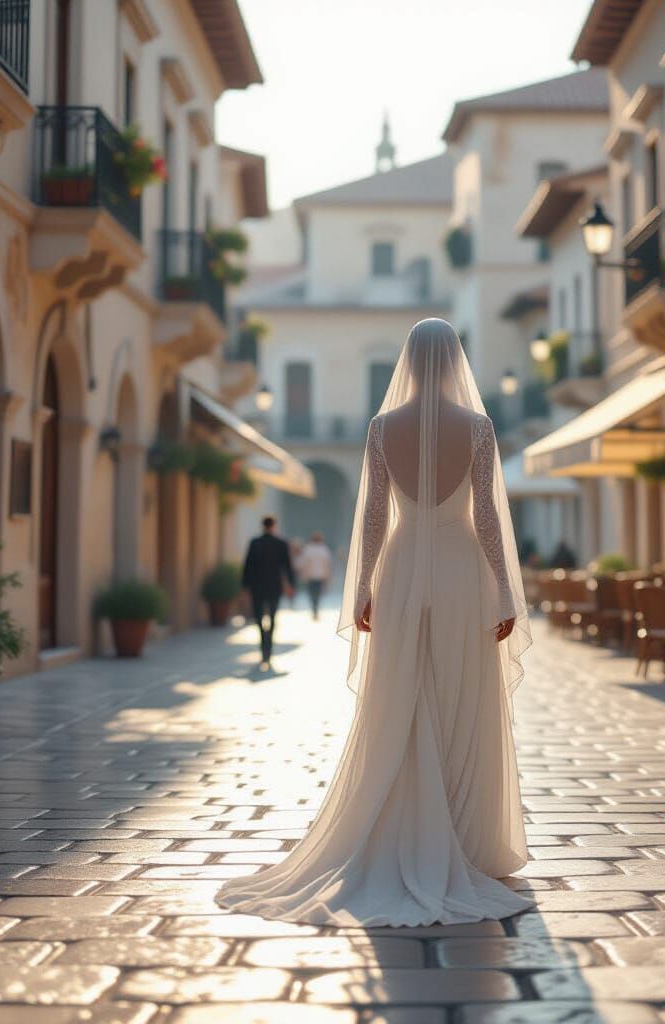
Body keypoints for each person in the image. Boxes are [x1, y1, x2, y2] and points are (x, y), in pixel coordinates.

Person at [217, 318, 532, 927]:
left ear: (409, 364)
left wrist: (360, 585)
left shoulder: (382, 428)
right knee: (462, 697)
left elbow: (371, 517)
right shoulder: (479, 429)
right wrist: (503, 590)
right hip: (462, 571)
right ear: (455, 363)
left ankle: (402, 825)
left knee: (398, 698)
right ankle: (467, 841)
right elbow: (489, 518)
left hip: (400, 567)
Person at [241, 516, 295, 669]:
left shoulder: (254, 543)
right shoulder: (281, 544)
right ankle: (268, 648)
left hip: (257, 587)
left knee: (258, 618)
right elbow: (287, 567)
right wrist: (291, 585)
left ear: (262, 526)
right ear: (274, 526)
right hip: (274, 587)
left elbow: (247, 566)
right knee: (272, 617)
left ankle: (263, 645)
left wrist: (244, 587)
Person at [297, 531, 333, 620]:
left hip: (310, 576)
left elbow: (304, 563)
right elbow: (327, 564)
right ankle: (315, 608)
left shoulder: (307, 549)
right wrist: (328, 576)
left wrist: (303, 574)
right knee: (318, 594)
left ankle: (314, 608)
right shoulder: (324, 549)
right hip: (321, 576)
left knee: (312, 594)